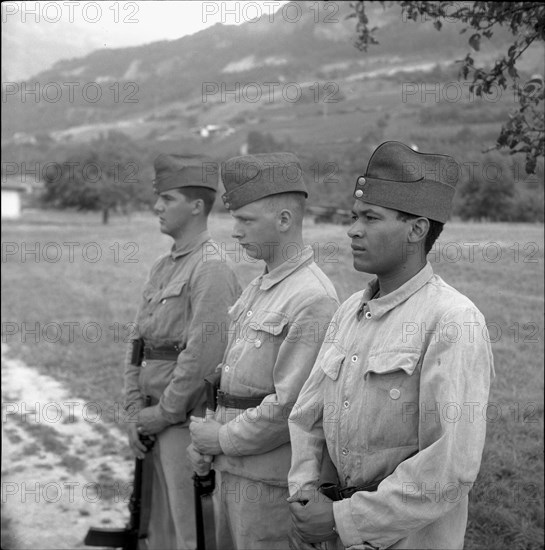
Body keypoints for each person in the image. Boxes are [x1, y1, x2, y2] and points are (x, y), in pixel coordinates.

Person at [287, 141, 495, 550]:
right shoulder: (350, 310)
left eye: (370, 218)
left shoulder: (453, 321)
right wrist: (306, 493)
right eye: (353, 216)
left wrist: (343, 519)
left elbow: (450, 466)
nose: (353, 229)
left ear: (416, 229)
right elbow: (306, 416)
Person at [188, 152, 340, 550]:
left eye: (246, 220)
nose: (235, 231)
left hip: (268, 485)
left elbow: (289, 407)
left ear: (285, 220)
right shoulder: (263, 284)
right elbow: (227, 376)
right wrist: (207, 438)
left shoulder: (312, 298)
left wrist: (219, 439)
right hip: (233, 468)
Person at [123, 153, 241, 550]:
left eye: (168, 198)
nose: (157, 206)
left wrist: (163, 413)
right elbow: (138, 345)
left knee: (188, 533)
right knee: (155, 531)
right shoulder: (162, 266)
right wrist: (134, 413)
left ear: (196, 206)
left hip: (181, 424)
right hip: (151, 419)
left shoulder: (211, 269)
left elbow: (202, 357)